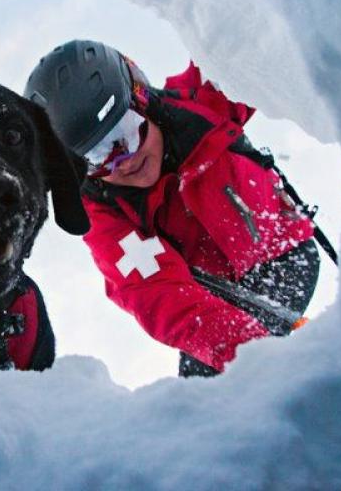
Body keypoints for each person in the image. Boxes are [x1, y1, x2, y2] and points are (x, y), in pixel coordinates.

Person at [25, 40, 321, 377]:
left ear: (143, 100)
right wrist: (254, 356)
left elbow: (247, 42)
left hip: (283, 258)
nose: (123, 161)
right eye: (96, 157)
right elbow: (158, 294)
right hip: (216, 301)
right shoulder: (105, 215)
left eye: (125, 133)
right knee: (206, 388)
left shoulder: (199, 103)